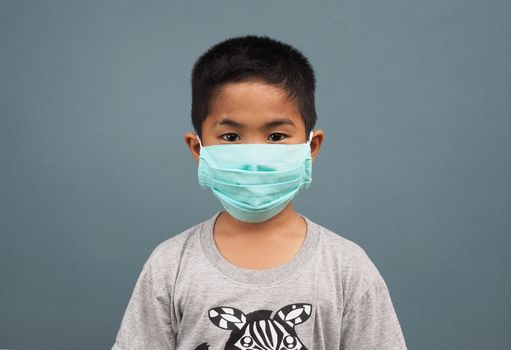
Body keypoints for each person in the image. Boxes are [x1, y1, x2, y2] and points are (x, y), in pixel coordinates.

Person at [112, 34, 407, 350]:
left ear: (312, 147)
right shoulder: (170, 265)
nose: (254, 157)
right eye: (230, 136)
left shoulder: (347, 268)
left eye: (277, 135)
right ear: (198, 149)